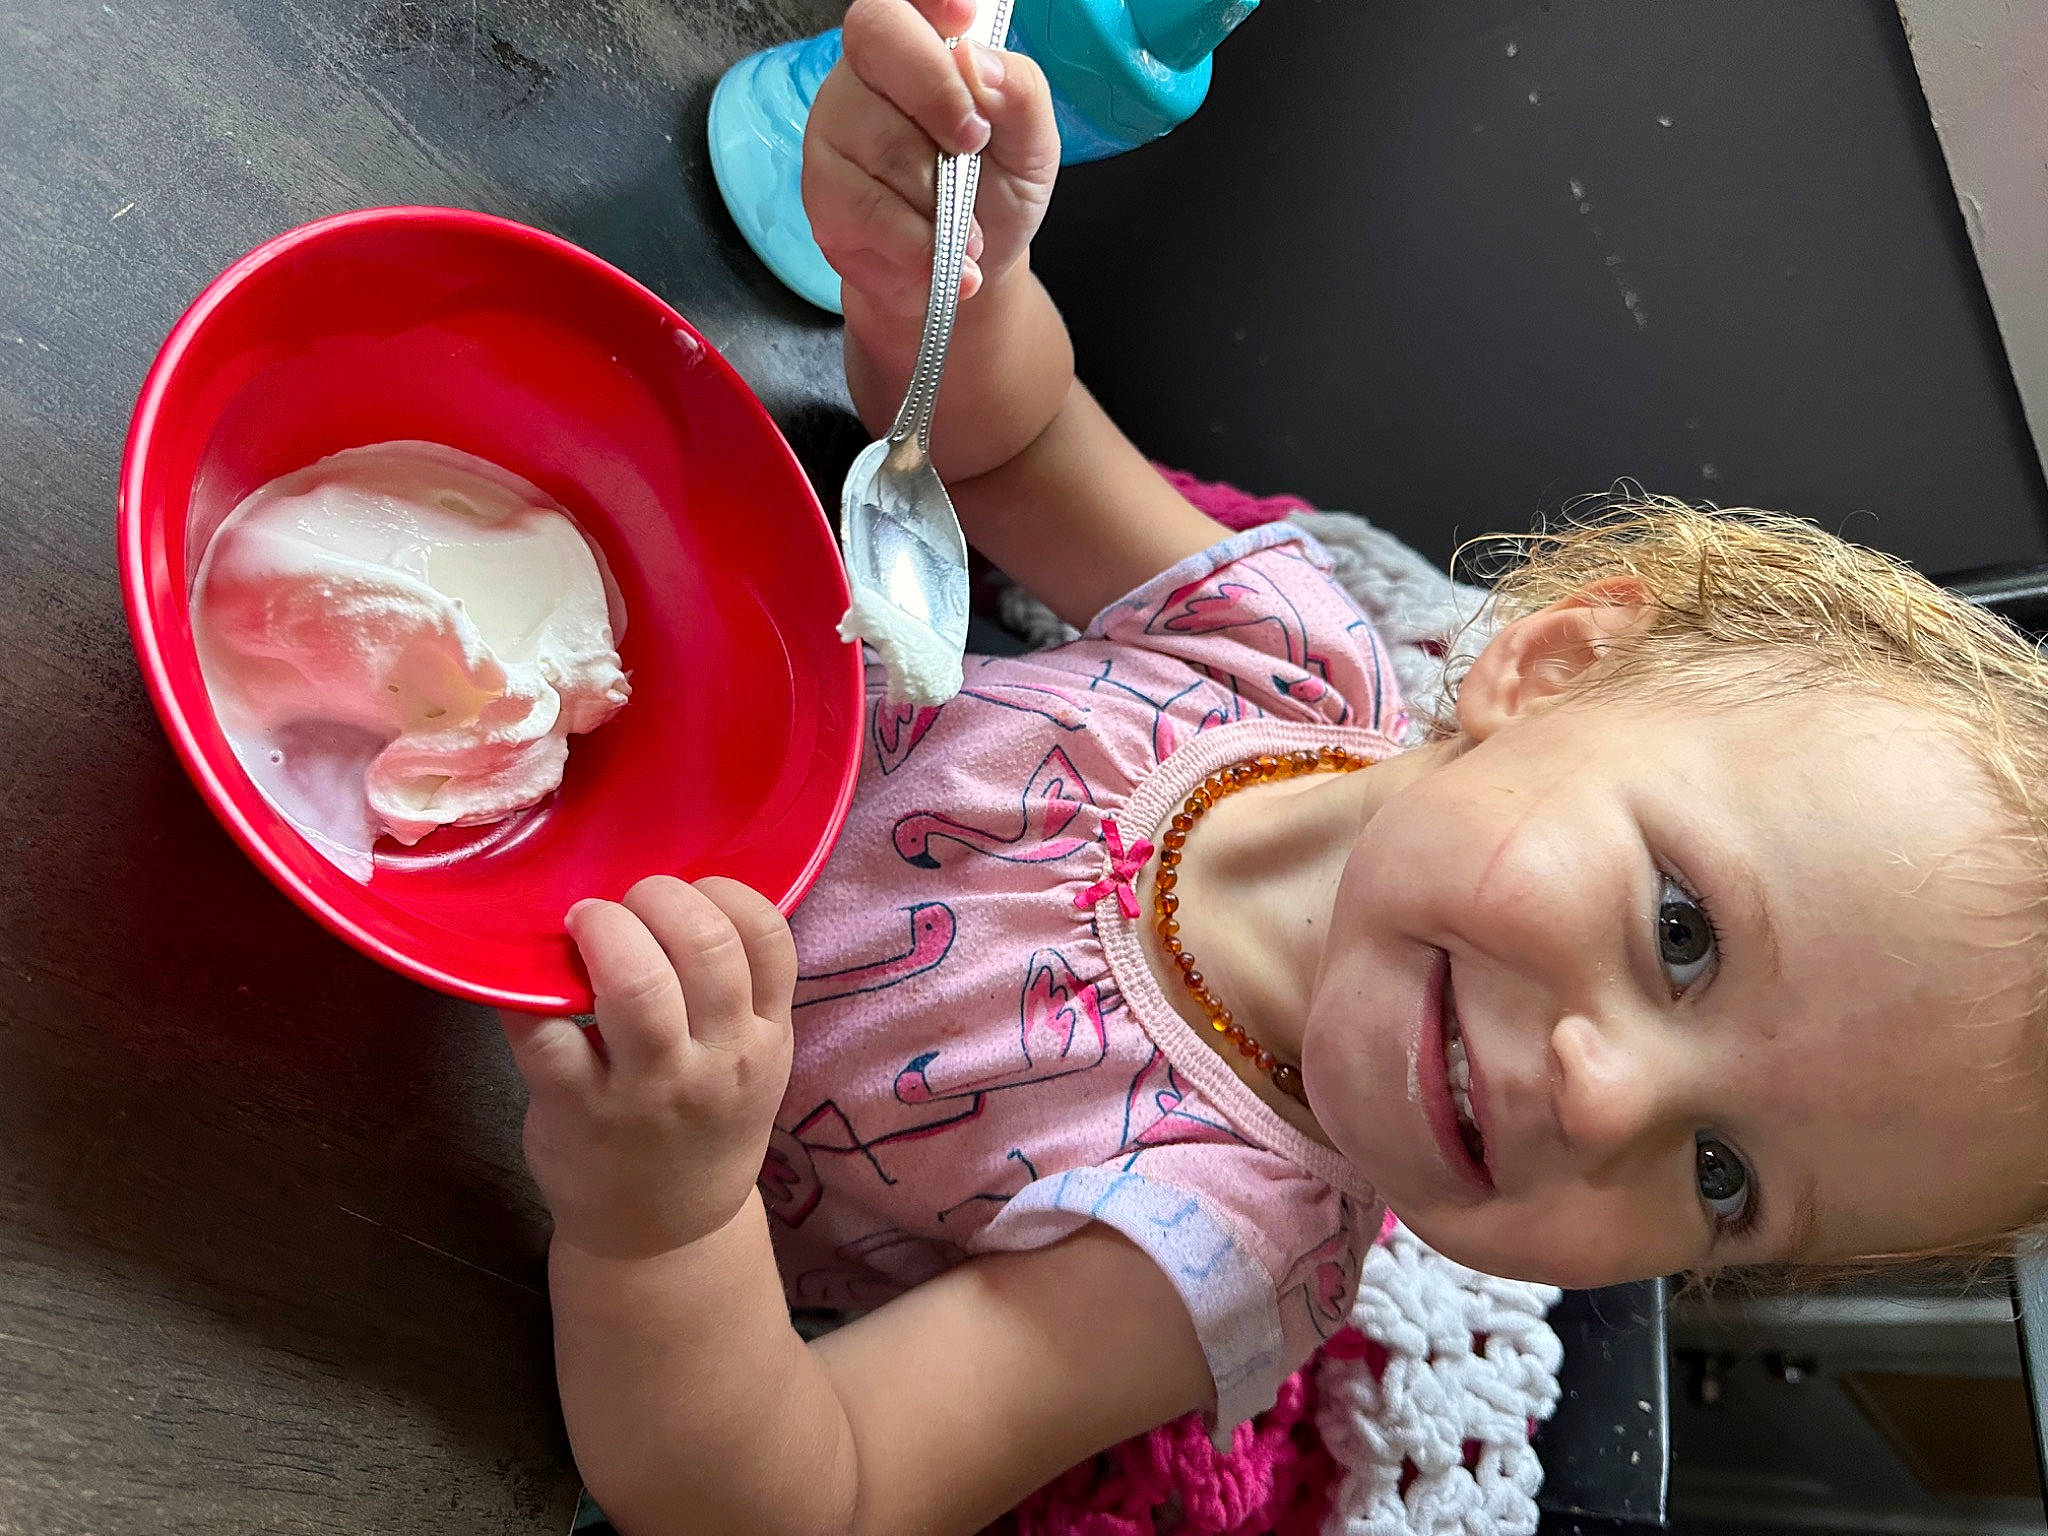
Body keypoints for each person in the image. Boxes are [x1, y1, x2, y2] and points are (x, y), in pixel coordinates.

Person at [496, 3, 2048, 1531]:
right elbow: (1015, 446)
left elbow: (808, 1488)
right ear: (1547, 668)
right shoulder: (1289, 651)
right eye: (1684, 934)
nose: (1604, 1095)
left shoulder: (1212, 1253)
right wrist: (945, 265)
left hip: (502, 1150)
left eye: (1723, 1179)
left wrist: (661, 1222)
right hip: (589, 723)